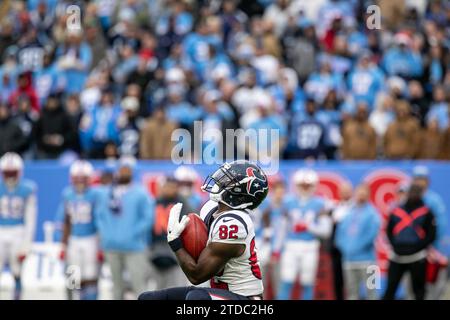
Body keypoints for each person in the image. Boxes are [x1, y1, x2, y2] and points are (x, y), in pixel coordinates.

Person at [139, 160, 268, 300]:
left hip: (245, 298)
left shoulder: (233, 223)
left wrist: (175, 242)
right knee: (148, 298)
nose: (220, 182)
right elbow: (200, 253)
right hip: (220, 292)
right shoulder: (211, 208)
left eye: (228, 181)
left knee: (197, 298)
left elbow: (197, 275)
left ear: (239, 193)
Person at [95, 157, 154, 299]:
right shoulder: (106, 193)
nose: (124, 172)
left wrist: (133, 233)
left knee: (138, 285)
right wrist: (106, 234)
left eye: (127, 169)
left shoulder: (141, 193)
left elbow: (148, 218)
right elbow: (99, 215)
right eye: (122, 169)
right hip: (111, 246)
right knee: (116, 286)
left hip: (134, 247)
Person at [273, 169, 332, 300]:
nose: (305, 188)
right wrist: (277, 248)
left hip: (310, 246)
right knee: (286, 280)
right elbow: (281, 228)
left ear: (313, 185)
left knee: (307, 282)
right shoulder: (288, 201)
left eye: (308, 185)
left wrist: (309, 227)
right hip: (291, 245)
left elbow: (326, 230)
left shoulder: (320, 203)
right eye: (302, 185)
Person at [383, 184, 437, 300]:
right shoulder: (396, 211)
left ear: (421, 194)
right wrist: (395, 246)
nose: (413, 194)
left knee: (418, 291)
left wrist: (417, 248)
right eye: (412, 192)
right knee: (390, 289)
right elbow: (389, 230)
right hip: (397, 256)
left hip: (417, 257)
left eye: (416, 192)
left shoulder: (426, 212)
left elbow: (431, 235)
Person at [57, 160, 100, 300]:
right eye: (77, 179)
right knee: (73, 277)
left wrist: (101, 244)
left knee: (91, 275)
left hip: (91, 238)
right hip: (73, 239)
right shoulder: (67, 194)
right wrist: (62, 243)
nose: (80, 182)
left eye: (84, 179)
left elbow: (100, 221)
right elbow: (63, 220)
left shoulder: (95, 194)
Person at [0, 152, 37, 299]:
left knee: (17, 270)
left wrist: (26, 244)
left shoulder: (28, 189)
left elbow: (30, 218)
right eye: (7, 173)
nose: (10, 177)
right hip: (1, 230)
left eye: (12, 173)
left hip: (18, 231)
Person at [335, 184, 381, 300]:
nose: (361, 196)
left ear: (368, 195)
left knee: (372, 292)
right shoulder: (348, 212)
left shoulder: (373, 214)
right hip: (349, 261)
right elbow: (339, 234)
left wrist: (354, 248)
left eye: (364, 193)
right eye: (359, 193)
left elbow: (371, 235)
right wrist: (345, 248)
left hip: (369, 261)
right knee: (351, 293)